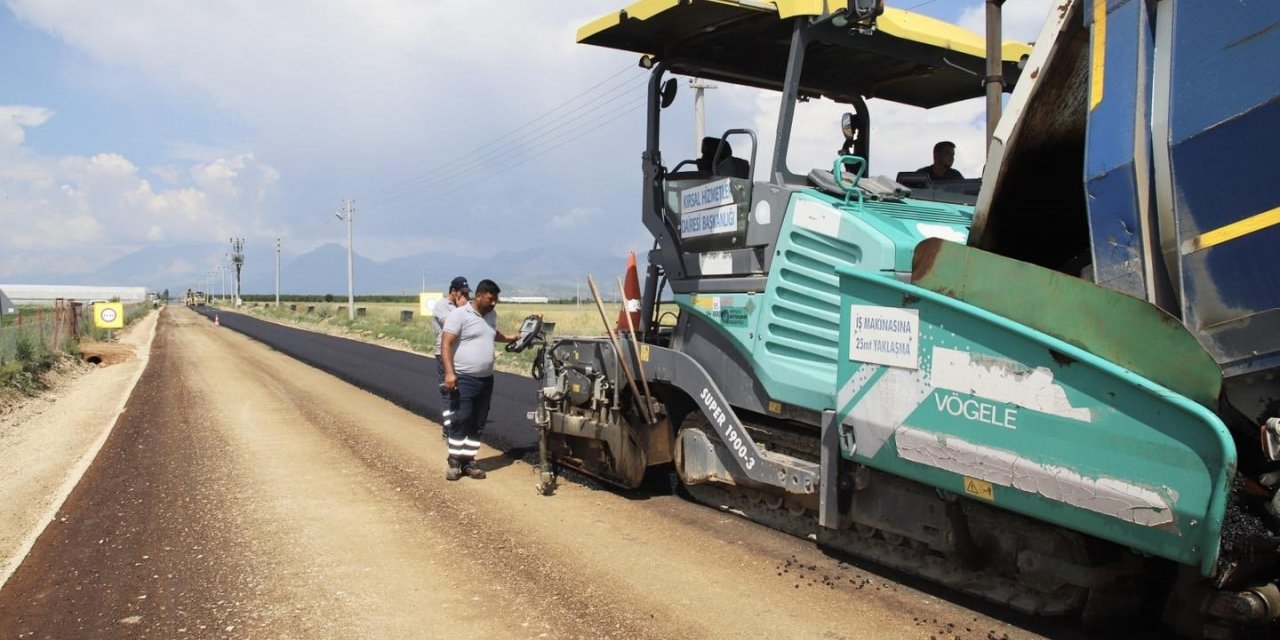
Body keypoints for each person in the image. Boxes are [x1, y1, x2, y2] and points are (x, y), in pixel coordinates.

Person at [439, 279, 520, 481]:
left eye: (496, 299)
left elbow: (491, 334)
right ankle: (455, 461)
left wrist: (510, 338)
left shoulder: (491, 315)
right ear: (479, 296)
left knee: (478, 422)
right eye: (491, 299)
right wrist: (450, 373)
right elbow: (446, 344)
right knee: (462, 418)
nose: (494, 303)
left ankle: (469, 460)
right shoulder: (459, 315)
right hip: (464, 378)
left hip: (486, 379)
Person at [432, 277, 470, 440]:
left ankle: (458, 424)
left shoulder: (462, 306)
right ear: (453, 291)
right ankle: (448, 428)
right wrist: (461, 310)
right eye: (462, 293)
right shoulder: (442, 305)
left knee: (461, 392)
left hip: (460, 354)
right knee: (448, 392)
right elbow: (451, 324)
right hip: (444, 353)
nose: (465, 297)